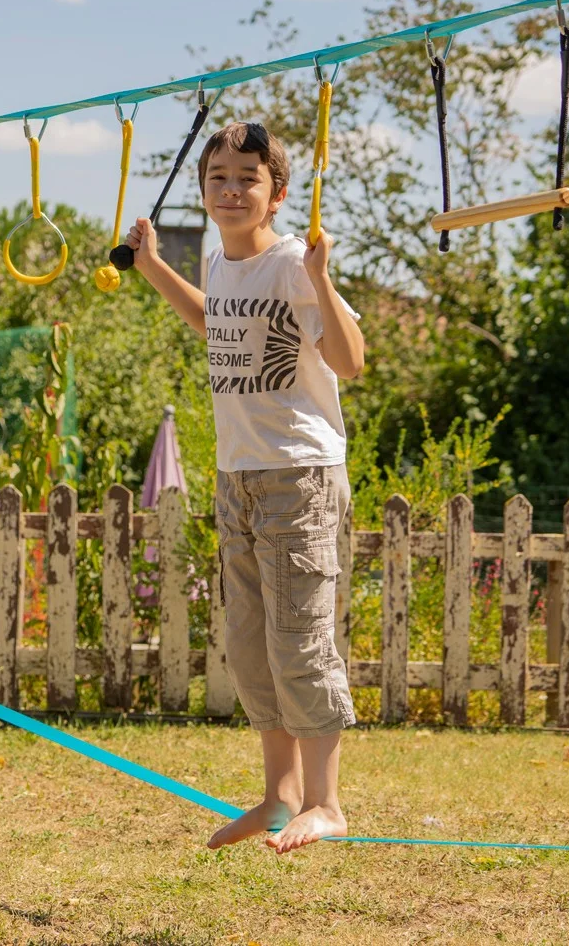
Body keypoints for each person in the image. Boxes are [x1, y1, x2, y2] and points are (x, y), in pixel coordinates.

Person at [124, 121, 364, 855]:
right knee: (251, 645)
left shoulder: (293, 262)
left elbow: (350, 362)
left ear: (277, 195)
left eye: (247, 178)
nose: (231, 189)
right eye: (219, 177)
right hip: (239, 475)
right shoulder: (217, 259)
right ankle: (278, 798)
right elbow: (214, 321)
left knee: (300, 640)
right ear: (203, 190)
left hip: (300, 472)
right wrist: (154, 267)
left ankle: (327, 804)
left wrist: (322, 278)